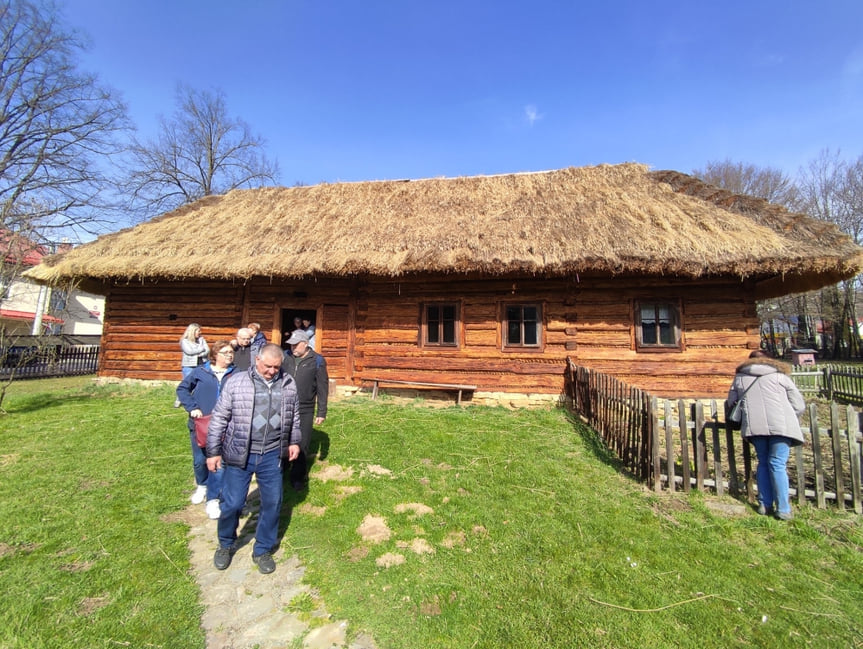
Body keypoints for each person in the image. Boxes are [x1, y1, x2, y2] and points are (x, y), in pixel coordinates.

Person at [206, 343, 301, 574]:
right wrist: (213, 451)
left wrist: (294, 440)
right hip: (240, 453)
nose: (271, 371)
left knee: (272, 503)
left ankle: (262, 549)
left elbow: (295, 415)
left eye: (276, 367)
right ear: (257, 360)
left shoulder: (288, 383)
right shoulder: (237, 382)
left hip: (272, 455)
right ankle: (226, 544)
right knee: (233, 504)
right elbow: (219, 417)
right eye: (268, 366)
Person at [727, 350, 805, 520]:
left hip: (755, 426)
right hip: (781, 426)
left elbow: (731, 402)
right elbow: (798, 405)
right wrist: (789, 416)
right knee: (777, 463)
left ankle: (764, 504)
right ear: (769, 360)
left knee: (763, 462)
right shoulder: (780, 376)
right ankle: (783, 508)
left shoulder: (740, 377)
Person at [176, 340, 235, 518]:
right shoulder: (200, 372)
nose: (229, 355)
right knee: (199, 460)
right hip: (201, 423)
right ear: (215, 355)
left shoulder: (237, 373)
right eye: (225, 352)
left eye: (231, 352)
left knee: (219, 463)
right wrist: (192, 407)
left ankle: (213, 499)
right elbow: (183, 389)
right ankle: (202, 485)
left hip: (225, 425)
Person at [282, 329, 328, 491]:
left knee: (302, 443)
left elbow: (323, 387)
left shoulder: (317, 360)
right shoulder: (285, 357)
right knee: (283, 438)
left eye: (296, 344)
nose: (293, 347)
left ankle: (297, 476)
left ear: (306, 343)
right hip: (284, 405)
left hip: (306, 408)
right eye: (291, 344)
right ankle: (282, 470)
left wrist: (321, 411)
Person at [177, 323, 209, 407]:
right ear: (193, 331)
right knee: (187, 383)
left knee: (200, 382)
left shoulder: (201, 339)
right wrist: (201, 349)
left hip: (201, 363)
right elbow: (189, 351)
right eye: (198, 330)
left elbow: (207, 350)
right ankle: (180, 399)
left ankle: (197, 399)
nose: (200, 332)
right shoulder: (185, 341)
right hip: (189, 366)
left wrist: (201, 354)